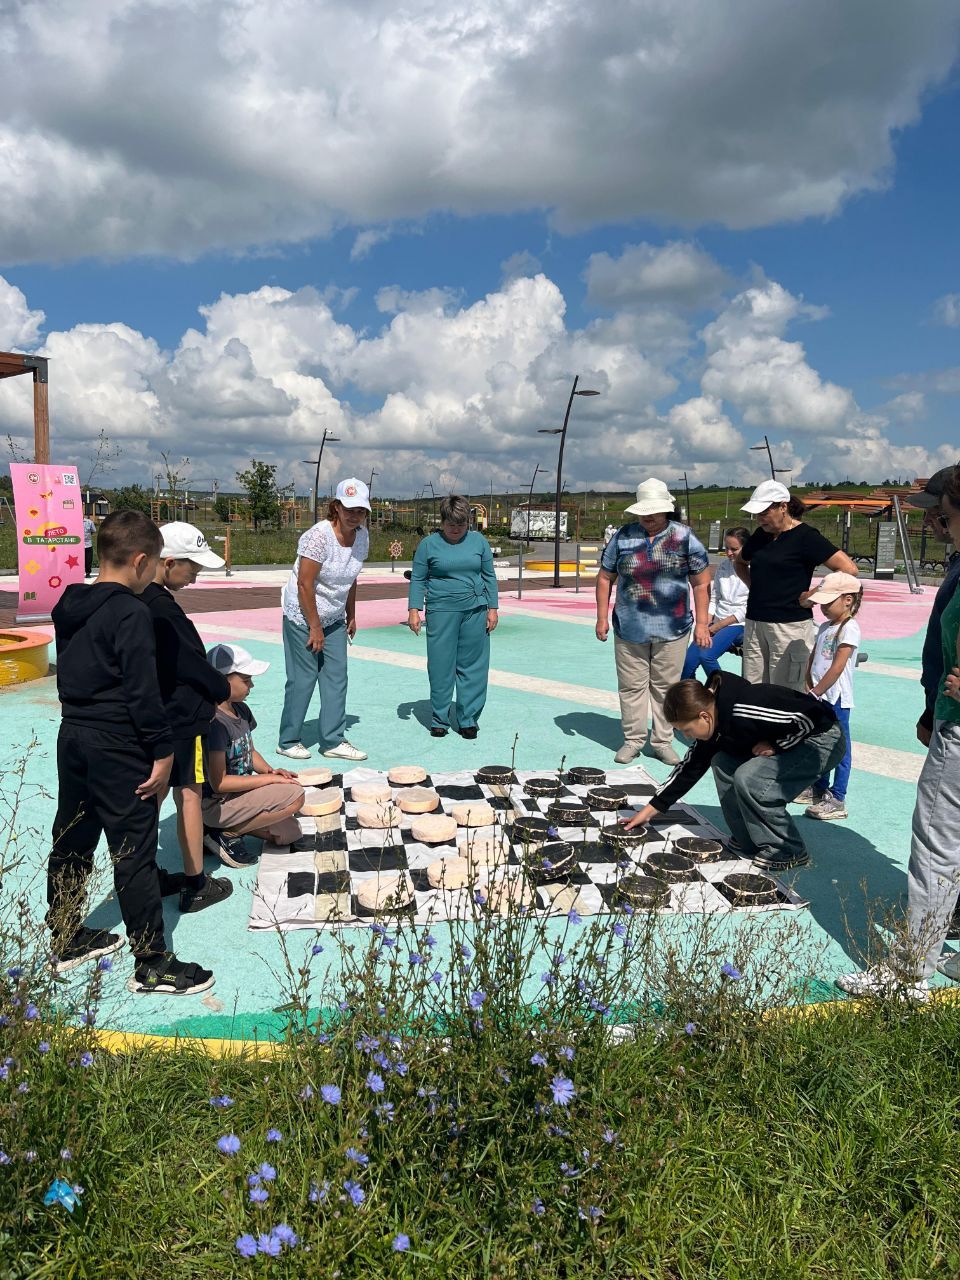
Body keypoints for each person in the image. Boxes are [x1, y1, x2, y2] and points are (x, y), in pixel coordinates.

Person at [46, 510, 214, 996]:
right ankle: (154, 963)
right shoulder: (132, 613)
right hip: (120, 742)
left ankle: (64, 933)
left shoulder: (70, 601)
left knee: (72, 835)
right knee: (133, 849)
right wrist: (162, 754)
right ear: (142, 562)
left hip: (73, 734)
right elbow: (141, 692)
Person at [837, 466, 960, 1001]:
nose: (932, 517)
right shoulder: (957, 561)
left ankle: (909, 974)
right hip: (948, 714)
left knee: (936, 843)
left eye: (943, 509)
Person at [623, 671, 843, 872]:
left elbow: (811, 717)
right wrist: (651, 809)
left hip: (821, 741)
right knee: (722, 761)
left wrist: (777, 745)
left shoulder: (745, 708)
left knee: (751, 778)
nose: (687, 737)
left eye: (687, 730)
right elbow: (688, 769)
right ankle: (748, 839)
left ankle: (788, 848)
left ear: (704, 717)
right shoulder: (714, 723)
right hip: (794, 737)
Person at [142, 522, 233, 915]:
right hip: (183, 719)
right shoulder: (164, 610)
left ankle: (146, 874)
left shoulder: (137, 599)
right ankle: (196, 883)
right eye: (192, 567)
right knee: (190, 795)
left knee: (152, 796)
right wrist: (222, 688)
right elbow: (191, 665)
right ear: (169, 561)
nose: (195, 576)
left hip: (152, 716)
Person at [597, 478, 711, 766]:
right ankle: (633, 740)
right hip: (629, 626)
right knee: (631, 686)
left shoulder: (684, 537)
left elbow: (701, 582)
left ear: (666, 510)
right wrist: (601, 617)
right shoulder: (623, 536)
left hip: (674, 628)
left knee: (667, 687)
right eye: (644, 512)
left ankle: (662, 741)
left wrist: (701, 623)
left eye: (655, 511)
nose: (648, 517)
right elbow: (604, 576)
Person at [278, 478, 370, 762]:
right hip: (303, 613)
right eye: (348, 508)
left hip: (333, 617)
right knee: (303, 677)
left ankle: (332, 740)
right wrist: (314, 627)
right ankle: (288, 739)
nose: (354, 515)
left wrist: (351, 613)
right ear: (336, 507)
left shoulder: (362, 536)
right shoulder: (319, 536)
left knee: (336, 677)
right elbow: (305, 584)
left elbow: (351, 578)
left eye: (360, 510)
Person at [735, 480, 858, 689]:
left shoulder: (806, 537)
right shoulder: (760, 535)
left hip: (790, 626)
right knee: (752, 689)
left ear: (783, 507)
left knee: (786, 692)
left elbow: (849, 569)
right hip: (755, 623)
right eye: (757, 514)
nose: (759, 518)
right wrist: (755, 586)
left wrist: (815, 594)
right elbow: (740, 561)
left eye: (764, 512)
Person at [201, 644, 306, 866]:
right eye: (246, 680)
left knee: (289, 834)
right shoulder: (216, 724)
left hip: (239, 797)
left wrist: (269, 770)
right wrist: (268, 780)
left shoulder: (241, 710)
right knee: (296, 796)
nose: (252, 685)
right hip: (217, 803)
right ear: (223, 680)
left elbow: (250, 750)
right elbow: (219, 783)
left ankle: (224, 830)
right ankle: (224, 832)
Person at [407, 494, 499, 738]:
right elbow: (418, 578)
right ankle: (440, 718)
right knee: (440, 666)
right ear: (442, 521)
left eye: (461, 524)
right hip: (441, 611)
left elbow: (489, 576)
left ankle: (468, 718)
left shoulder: (479, 542)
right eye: (451, 524)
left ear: (468, 521)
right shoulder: (429, 544)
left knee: (473, 667)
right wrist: (414, 609)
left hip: (475, 610)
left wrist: (493, 608)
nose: (456, 529)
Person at [795, 572, 863, 821]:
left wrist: (818, 691)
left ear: (848, 599)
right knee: (819, 744)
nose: (823, 607)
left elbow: (837, 665)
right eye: (821, 603)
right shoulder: (825, 626)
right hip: (818, 695)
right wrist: (808, 683)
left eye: (829, 602)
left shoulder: (849, 628)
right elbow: (814, 658)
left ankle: (838, 797)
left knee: (840, 747)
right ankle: (818, 786)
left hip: (836, 698)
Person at [680, 527, 750, 679]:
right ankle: (693, 697)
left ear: (746, 547)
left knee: (707, 656)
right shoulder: (724, 566)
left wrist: (717, 627)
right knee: (687, 662)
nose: (729, 553)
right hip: (717, 621)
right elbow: (714, 598)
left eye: (734, 549)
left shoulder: (753, 568)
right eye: (727, 548)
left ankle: (722, 692)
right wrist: (705, 624)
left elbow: (748, 608)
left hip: (738, 624)